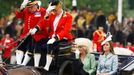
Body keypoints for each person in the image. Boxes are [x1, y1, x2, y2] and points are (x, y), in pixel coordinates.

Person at [30, 0, 73, 71]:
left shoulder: (68, 16)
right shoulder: (52, 14)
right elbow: (43, 23)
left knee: (50, 44)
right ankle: (36, 66)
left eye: (55, 10)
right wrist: (36, 28)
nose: (54, 12)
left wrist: (55, 38)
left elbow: (65, 31)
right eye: (53, 10)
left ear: (59, 7)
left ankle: (46, 67)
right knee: (38, 43)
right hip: (51, 37)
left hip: (63, 38)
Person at [15, 0, 48, 67]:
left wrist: (36, 28)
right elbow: (18, 16)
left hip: (38, 34)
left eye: (31, 7)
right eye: (28, 7)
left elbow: (42, 22)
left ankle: (23, 64)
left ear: (36, 5)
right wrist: (22, 6)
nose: (29, 9)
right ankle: (18, 64)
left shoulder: (42, 11)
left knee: (31, 46)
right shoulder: (26, 10)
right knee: (20, 46)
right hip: (26, 34)